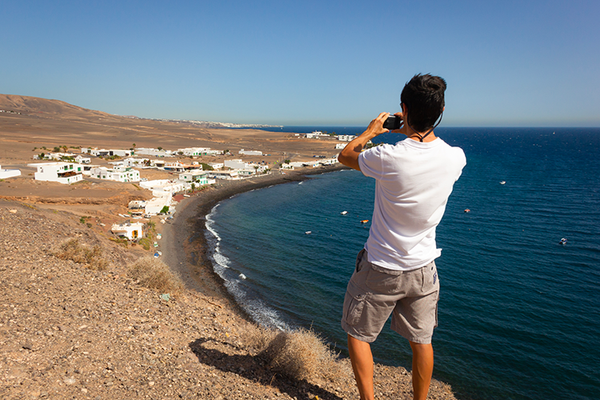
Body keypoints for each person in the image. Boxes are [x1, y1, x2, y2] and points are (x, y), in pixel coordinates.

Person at [337, 74, 466, 400]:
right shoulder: (456, 158)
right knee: (422, 340)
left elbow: (346, 155)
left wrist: (372, 130)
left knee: (359, 334)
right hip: (424, 269)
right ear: (442, 110)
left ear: (403, 109)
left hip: (381, 266)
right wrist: (411, 128)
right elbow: (427, 151)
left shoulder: (389, 157)